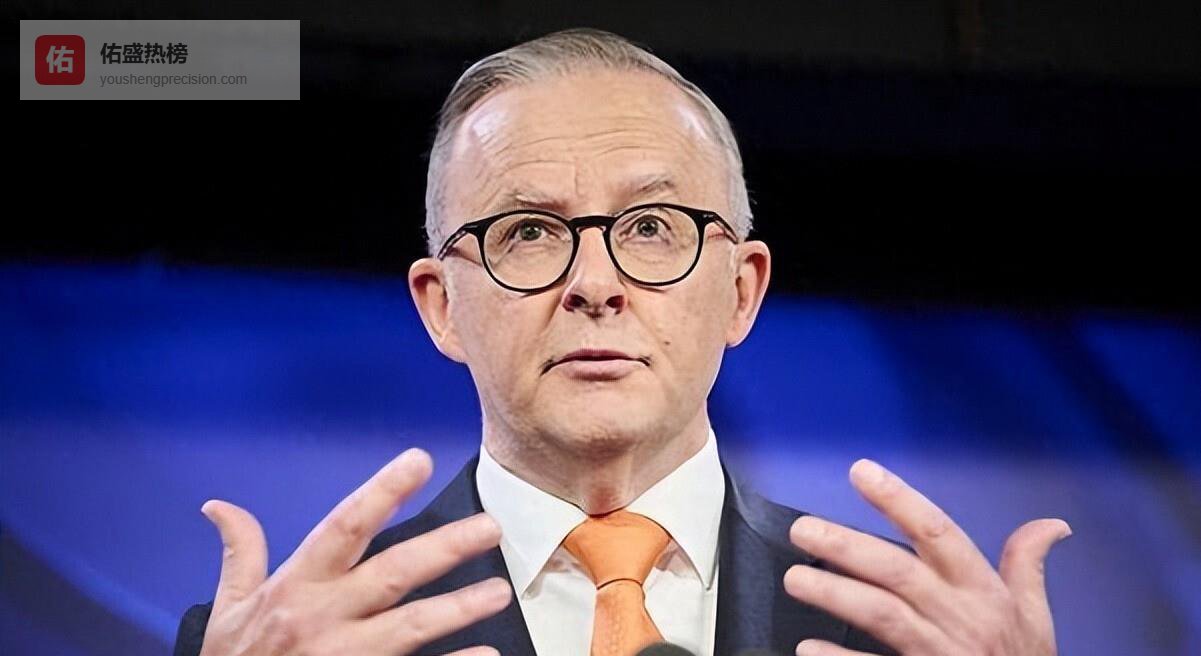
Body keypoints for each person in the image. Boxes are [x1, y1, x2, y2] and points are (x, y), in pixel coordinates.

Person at [174, 28, 1071, 656]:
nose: (595, 283)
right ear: (440, 306)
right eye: (529, 232)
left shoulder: (911, 634)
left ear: (741, 291)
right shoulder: (294, 641)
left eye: (650, 227)